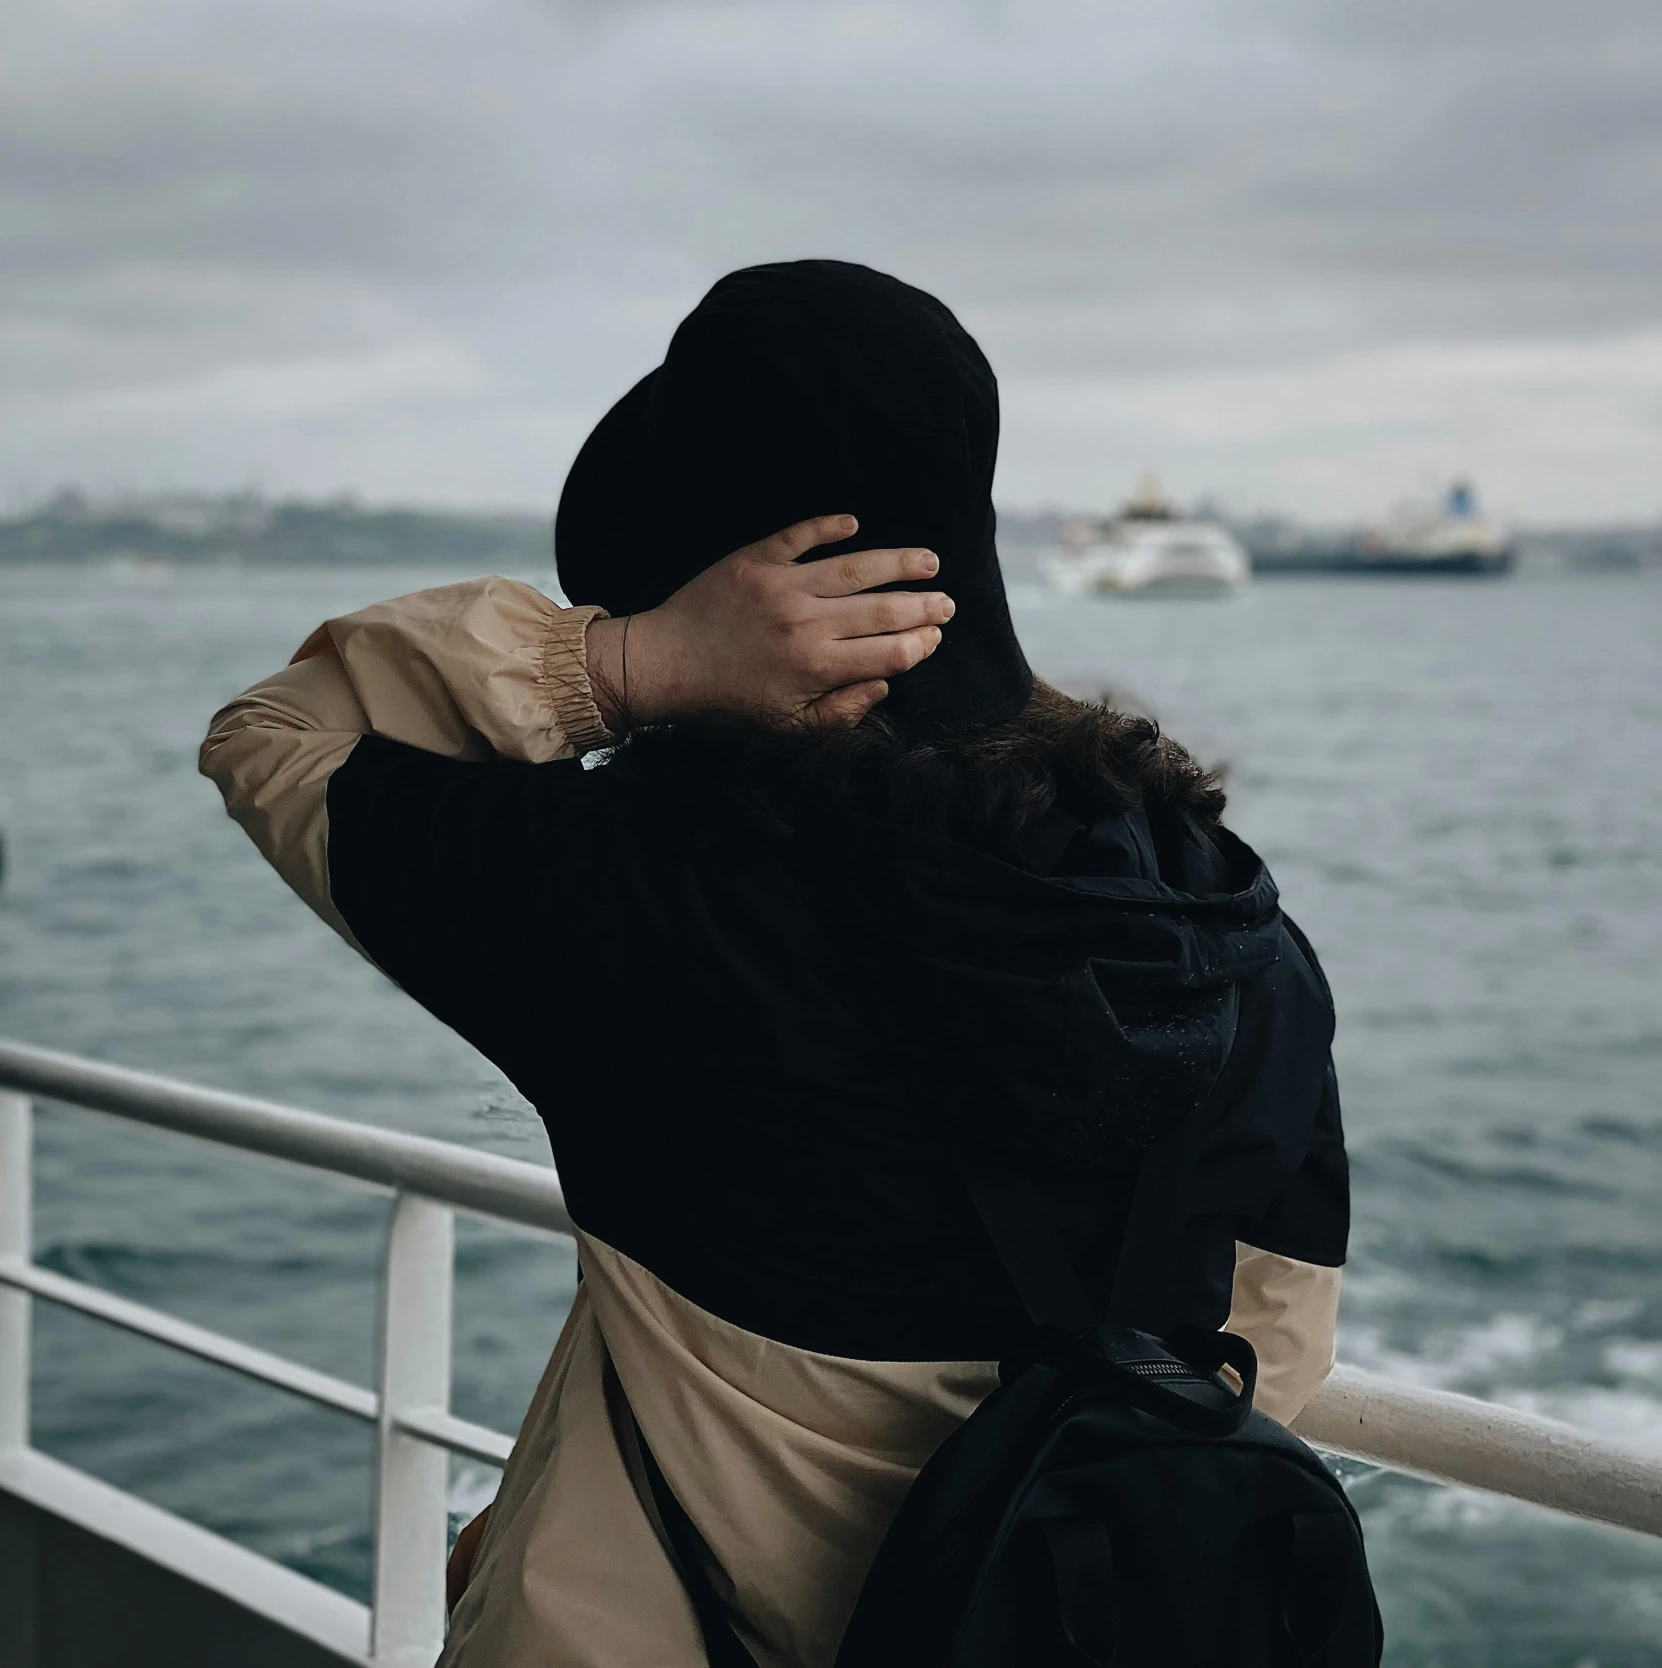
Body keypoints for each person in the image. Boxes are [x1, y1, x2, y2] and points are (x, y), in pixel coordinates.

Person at [200, 260, 1347, 1668]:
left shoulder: (638, 892)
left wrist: (619, 667)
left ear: (711, 573)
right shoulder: (1227, 923)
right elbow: (1270, 1350)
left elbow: (278, 736)